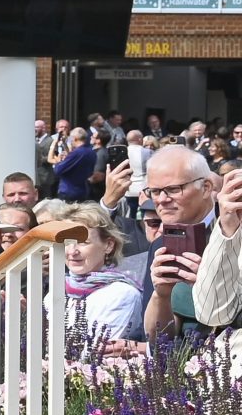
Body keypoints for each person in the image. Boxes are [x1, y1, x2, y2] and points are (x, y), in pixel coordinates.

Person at [145, 146, 228, 339]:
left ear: (206, 187)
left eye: (174, 189)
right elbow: (158, 341)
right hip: (182, 365)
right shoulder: (160, 246)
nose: (162, 200)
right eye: (155, 191)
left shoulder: (233, 232)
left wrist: (210, 285)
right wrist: (161, 297)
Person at [59, 200, 146, 346]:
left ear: (108, 245)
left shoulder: (122, 294)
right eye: (67, 242)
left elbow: (96, 354)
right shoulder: (56, 291)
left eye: (83, 242)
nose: (72, 251)